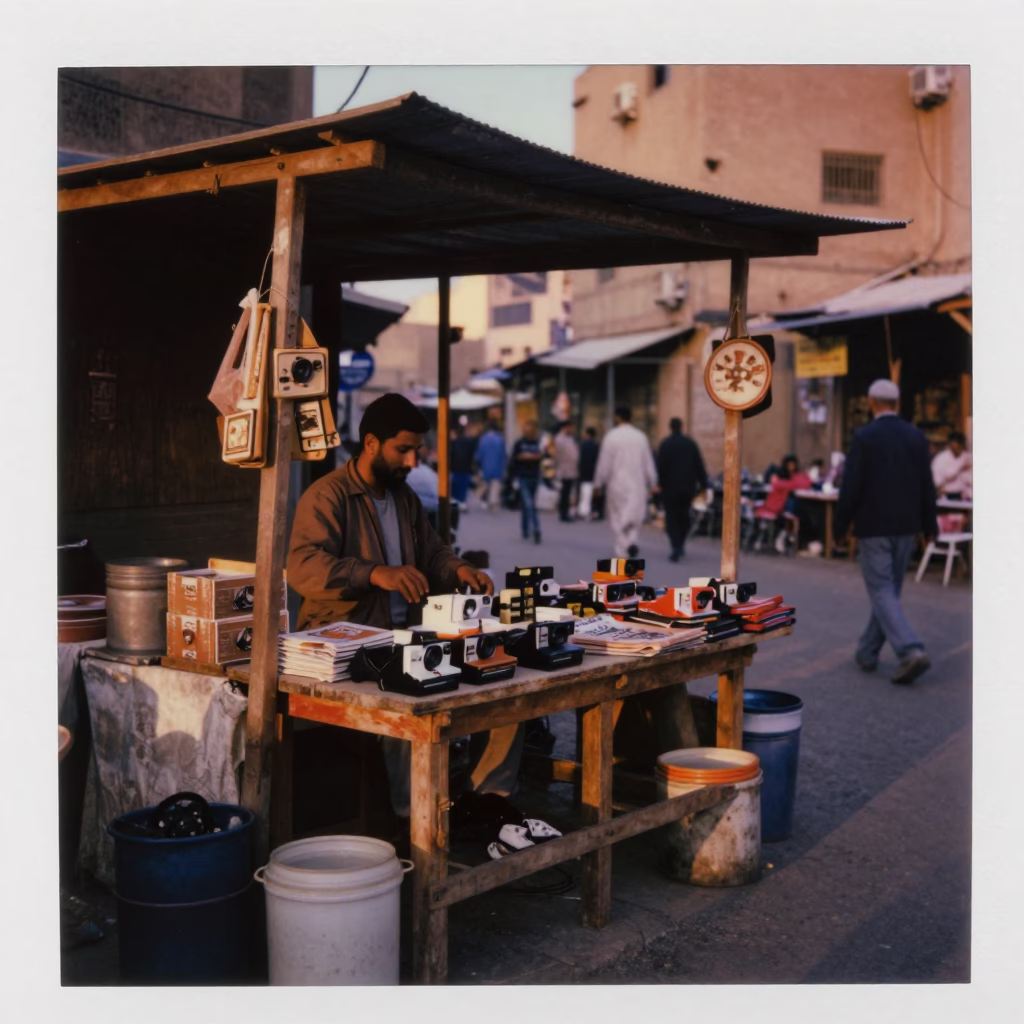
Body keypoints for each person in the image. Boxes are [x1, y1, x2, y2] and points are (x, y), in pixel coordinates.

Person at [287, 392, 524, 820]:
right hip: (355, 649)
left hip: (412, 640)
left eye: (416, 450)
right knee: (409, 715)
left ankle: (486, 803)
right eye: (404, 450)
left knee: (506, 693)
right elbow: (302, 568)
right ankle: (410, 821)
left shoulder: (405, 498)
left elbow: (434, 553)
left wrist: (460, 569)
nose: (413, 461)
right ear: (372, 444)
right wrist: (374, 573)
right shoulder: (327, 497)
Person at [834, 379, 938, 686]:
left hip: (873, 527)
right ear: (897, 403)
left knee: (881, 591)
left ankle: (911, 649)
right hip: (907, 527)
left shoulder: (865, 437)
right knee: (888, 592)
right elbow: (927, 486)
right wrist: (930, 525)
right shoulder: (916, 436)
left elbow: (850, 487)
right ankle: (867, 651)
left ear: (871, 402)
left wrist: (840, 526)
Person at [593, 406, 658, 558]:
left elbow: (604, 464)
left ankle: (623, 552)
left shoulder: (611, 437)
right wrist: (653, 482)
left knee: (617, 518)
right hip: (637, 483)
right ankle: (632, 541)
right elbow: (648, 462)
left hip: (617, 483)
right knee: (634, 516)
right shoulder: (641, 437)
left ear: (617, 417)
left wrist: (598, 483)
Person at [656, 417, 708, 562]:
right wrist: (704, 484)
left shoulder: (665, 444)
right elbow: (699, 465)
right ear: (681, 427)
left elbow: (660, 467)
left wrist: (659, 485)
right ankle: (680, 544)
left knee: (671, 518)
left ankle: (675, 546)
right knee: (684, 517)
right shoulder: (690, 444)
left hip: (669, 489)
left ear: (670, 427)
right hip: (687, 488)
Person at [510, 420, 544, 543]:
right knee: (530, 504)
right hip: (523, 477)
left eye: (531, 427)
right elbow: (516, 457)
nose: (529, 429)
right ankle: (536, 530)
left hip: (534, 476)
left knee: (527, 505)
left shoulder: (537, 443)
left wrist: (529, 456)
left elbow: (542, 456)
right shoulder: (519, 443)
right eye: (527, 427)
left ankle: (525, 529)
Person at [475, 420, 506, 511]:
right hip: (497, 466)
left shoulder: (483, 439)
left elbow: (479, 455)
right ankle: (493, 501)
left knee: (485, 484)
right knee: (495, 484)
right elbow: (503, 454)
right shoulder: (500, 439)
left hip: (486, 466)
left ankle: (482, 497)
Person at [931, 431, 972, 500]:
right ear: (949, 445)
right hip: (946, 495)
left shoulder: (968, 457)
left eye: (958, 447)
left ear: (962, 445)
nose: (955, 449)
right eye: (952, 447)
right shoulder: (941, 458)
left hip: (965, 496)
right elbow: (937, 477)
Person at [553, 421, 580, 523]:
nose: (572, 429)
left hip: (571, 469)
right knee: (565, 493)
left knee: (568, 492)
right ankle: (563, 513)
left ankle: (566, 512)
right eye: (570, 427)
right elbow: (558, 455)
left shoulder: (569, 438)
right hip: (564, 469)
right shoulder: (559, 439)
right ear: (565, 427)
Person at [449, 424, 477, 513]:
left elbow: (452, 455)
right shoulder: (470, 442)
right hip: (466, 468)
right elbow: (472, 456)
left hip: (456, 468)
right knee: (463, 487)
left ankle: (457, 502)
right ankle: (462, 503)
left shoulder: (454, 442)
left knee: (456, 486)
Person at [576, 426, 600, 520]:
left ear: (588, 434)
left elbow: (581, 459)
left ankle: (584, 511)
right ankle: (588, 511)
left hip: (584, 472)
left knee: (585, 493)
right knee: (589, 492)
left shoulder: (584, 445)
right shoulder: (596, 445)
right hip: (592, 472)